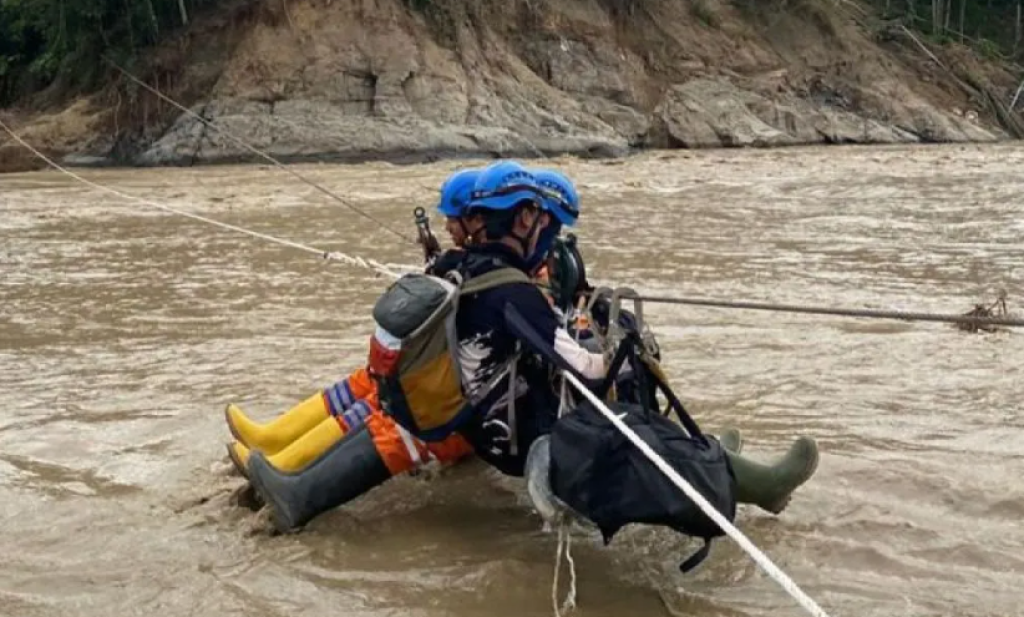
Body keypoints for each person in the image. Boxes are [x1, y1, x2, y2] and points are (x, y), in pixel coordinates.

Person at [222, 168, 487, 481]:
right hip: (446, 380)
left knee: (382, 396)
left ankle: (290, 464)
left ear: (476, 219)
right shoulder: (473, 259)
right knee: (369, 379)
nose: (447, 226)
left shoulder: (499, 271)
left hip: (456, 400)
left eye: (452, 219)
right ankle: (274, 442)